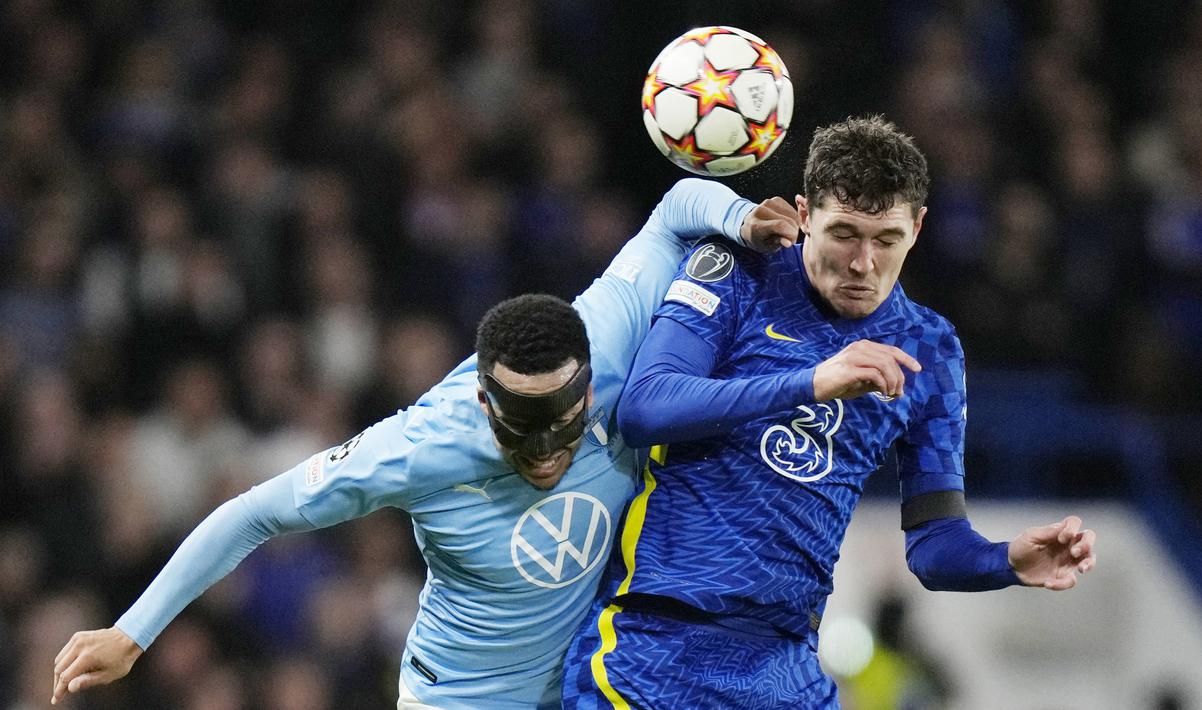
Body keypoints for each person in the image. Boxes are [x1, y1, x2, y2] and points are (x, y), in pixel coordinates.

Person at [50, 178, 801, 709]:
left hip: (592, 685)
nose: (547, 454)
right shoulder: (419, 447)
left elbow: (675, 207)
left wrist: (741, 218)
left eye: (565, 428)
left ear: (587, 387)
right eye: (523, 433)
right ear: (482, 402)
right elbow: (252, 513)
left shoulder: (604, 332)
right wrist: (131, 632)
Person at [562, 116, 1099, 709]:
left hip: (786, 666)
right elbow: (646, 406)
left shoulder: (930, 347)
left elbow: (934, 542)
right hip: (653, 646)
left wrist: (1004, 561)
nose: (863, 263)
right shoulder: (737, 271)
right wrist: (812, 383)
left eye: (887, 239)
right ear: (804, 214)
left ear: (918, 227)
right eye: (844, 233)